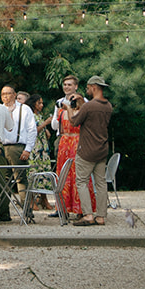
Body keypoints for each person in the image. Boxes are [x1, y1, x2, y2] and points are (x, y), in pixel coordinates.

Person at [70, 75, 114, 226]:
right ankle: (101, 216)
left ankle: (88, 214)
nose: (87, 90)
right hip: (102, 150)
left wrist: (69, 108)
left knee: (81, 181)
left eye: (88, 88)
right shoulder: (108, 106)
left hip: (87, 150)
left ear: (94, 87)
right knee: (101, 183)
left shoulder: (89, 106)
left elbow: (75, 121)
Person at [0, 84, 36, 222]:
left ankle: (26, 211)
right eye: (3, 94)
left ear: (14, 94)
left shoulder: (24, 109)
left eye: (8, 93)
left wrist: (28, 149)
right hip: (1, 146)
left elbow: (32, 129)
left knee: (21, 179)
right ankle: (3, 213)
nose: (5, 96)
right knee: (2, 181)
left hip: (18, 146)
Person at [53, 79, 85, 218]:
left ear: (76, 86)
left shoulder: (83, 102)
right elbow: (55, 125)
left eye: (70, 85)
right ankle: (62, 208)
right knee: (63, 174)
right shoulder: (59, 103)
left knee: (78, 174)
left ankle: (80, 208)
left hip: (77, 140)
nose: (67, 87)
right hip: (64, 140)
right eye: (65, 85)